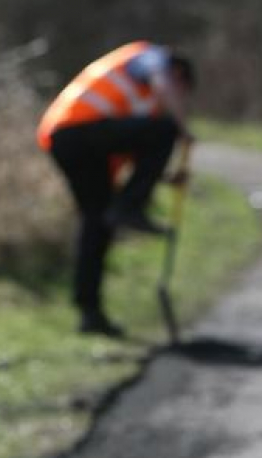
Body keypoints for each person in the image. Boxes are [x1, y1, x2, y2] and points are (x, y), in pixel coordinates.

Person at [37, 41, 195, 337]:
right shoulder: (151, 57)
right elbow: (163, 89)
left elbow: (139, 158)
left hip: (68, 142)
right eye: (181, 92)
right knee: (165, 129)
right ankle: (130, 207)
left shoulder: (139, 103)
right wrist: (182, 128)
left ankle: (90, 312)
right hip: (75, 132)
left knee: (98, 222)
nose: (176, 99)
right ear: (178, 73)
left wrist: (166, 178)